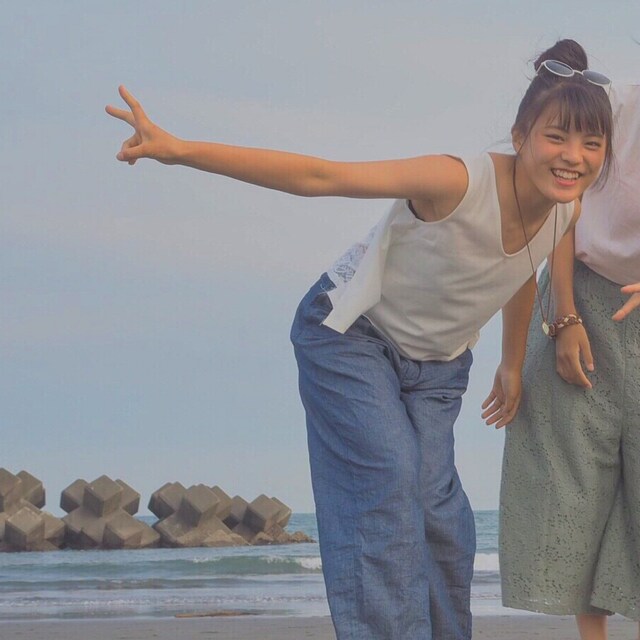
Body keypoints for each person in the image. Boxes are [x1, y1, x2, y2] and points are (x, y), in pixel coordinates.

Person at [107, 39, 612, 640]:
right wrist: (178, 150)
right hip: (350, 337)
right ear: (521, 135)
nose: (573, 157)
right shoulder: (456, 179)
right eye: (557, 137)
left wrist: (510, 363)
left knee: (441, 515)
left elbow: (522, 270)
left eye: (592, 143)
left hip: (438, 367)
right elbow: (320, 176)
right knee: (388, 487)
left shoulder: (565, 207)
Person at [498, 82, 640, 640]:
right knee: (576, 477)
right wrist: (565, 316)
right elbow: (563, 205)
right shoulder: (612, 106)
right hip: (581, 291)